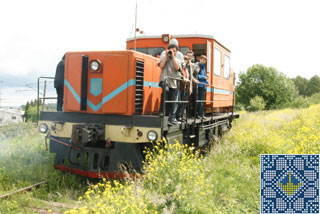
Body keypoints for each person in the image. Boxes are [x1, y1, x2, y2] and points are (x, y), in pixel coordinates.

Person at [159, 38, 184, 125]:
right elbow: (161, 66)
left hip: (174, 81)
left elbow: (177, 68)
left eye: (174, 50)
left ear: (177, 50)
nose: (172, 51)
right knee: (165, 92)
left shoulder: (179, 56)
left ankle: (170, 117)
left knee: (173, 99)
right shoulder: (164, 53)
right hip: (164, 79)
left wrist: (173, 57)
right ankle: (162, 114)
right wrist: (166, 56)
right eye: (171, 49)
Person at [176, 55, 190, 121]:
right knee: (179, 101)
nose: (185, 61)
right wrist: (183, 79)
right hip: (179, 86)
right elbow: (180, 75)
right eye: (184, 59)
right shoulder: (181, 68)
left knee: (182, 102)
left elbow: (188, 77)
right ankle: (177, 116)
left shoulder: (186, 69)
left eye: (186, 60)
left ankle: (180, 116)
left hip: (184, 87)